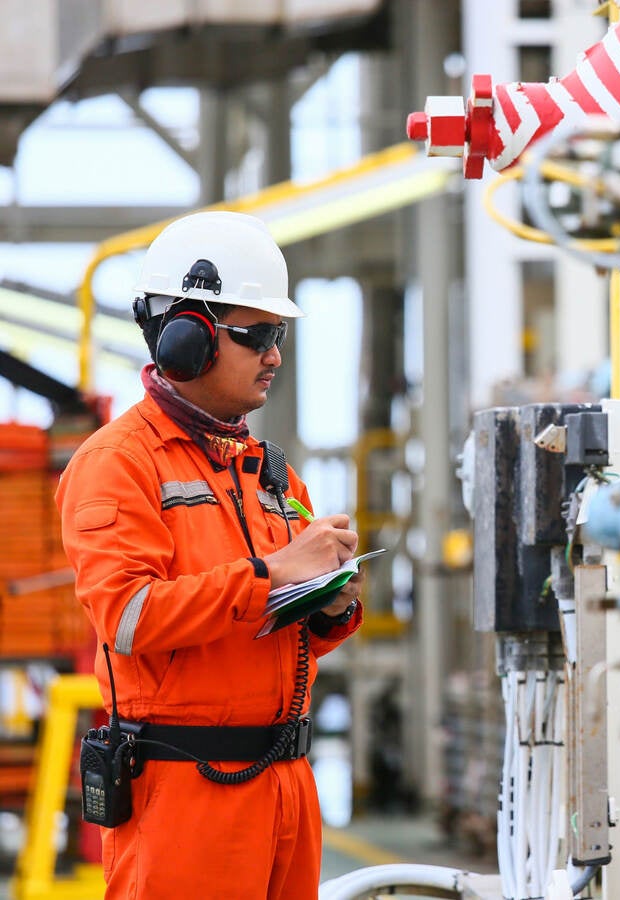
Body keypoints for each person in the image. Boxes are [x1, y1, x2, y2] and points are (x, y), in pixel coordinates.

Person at [55, 210, 364, 899]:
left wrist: (332, 603)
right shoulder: (117, 465)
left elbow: (278, 632)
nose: (275, 355)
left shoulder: (271, 472)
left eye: (277, 335)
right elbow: (128, 617)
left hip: (286, 789)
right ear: (185, 340)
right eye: (255, 336)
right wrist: (274, 573)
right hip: (185, 798)